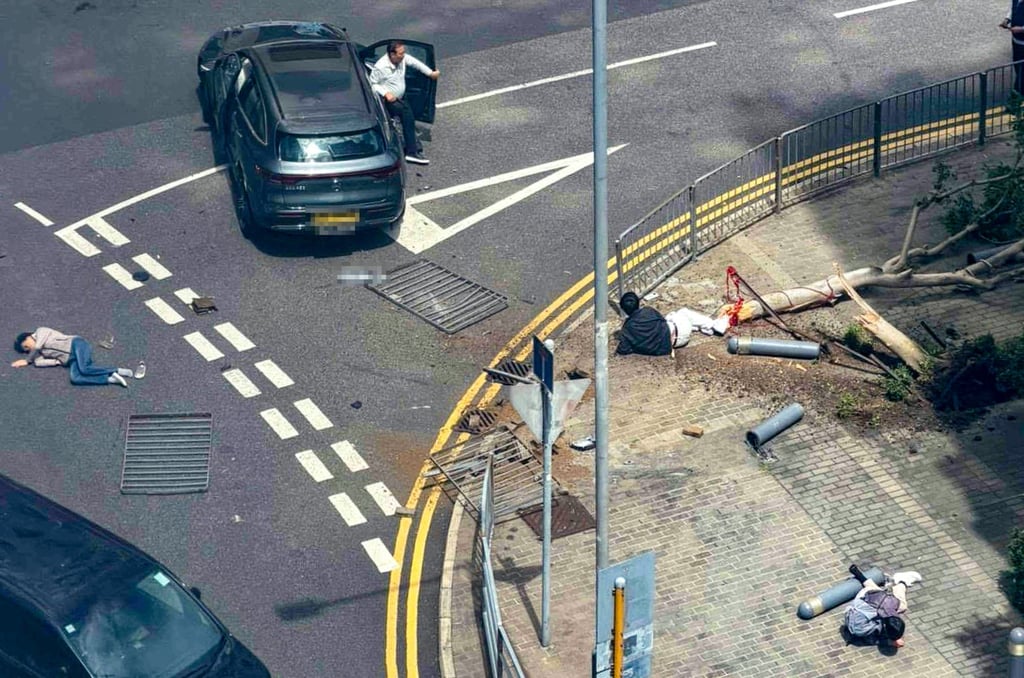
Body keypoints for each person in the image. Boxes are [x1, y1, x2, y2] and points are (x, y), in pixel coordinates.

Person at [369, 40, 440, 166]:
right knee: (408, 119)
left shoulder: (402, 59)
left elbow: (415, 63)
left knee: (409, 120)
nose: (403, 55)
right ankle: (412, 153)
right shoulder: (381, 67)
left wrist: (430, 73)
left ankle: (411, 145)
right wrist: (386, 93)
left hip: (402, 97)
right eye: (400, 53)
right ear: (392, 54)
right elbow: (373, 84)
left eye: (403, 53)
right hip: (391, 101)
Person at [11, 328, 144, 388]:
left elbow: (38, 346)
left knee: (85, 369)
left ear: (28, 337)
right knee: (75, 378)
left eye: (26, 346)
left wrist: (27, 360)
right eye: (26, 350)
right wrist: (52, 361)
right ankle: (111, 379)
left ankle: (119, 370)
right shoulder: (37, 352)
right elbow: (39, 362)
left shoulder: (41, 332)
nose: (29, 349)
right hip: (71, 359)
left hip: (76, 344)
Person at [843, 565, 922, 648]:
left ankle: (861, 576)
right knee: (902, 606)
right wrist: (890, 643)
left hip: (867, 596)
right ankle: (902, 581)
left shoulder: (889, 606)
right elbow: (872, 639)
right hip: (863, 606)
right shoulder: (860, 629)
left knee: (876, 591)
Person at [615, 291, 694, 356]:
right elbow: (663, 321)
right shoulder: (648, 311)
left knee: (674, 317)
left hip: (672, 345)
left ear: (623, 309)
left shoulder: (627, 329)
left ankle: (696, 326)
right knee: (682, 312)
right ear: (638, 303)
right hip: (681, 331)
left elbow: (623, 349)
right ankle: (703, 327)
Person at [1001, 1, 1024, 97]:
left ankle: (1015, 100)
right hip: (1016, 41)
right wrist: (1007, 19)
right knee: (1018, 68)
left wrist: (1021, 29)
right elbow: (1013, 9)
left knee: (1022, 75)